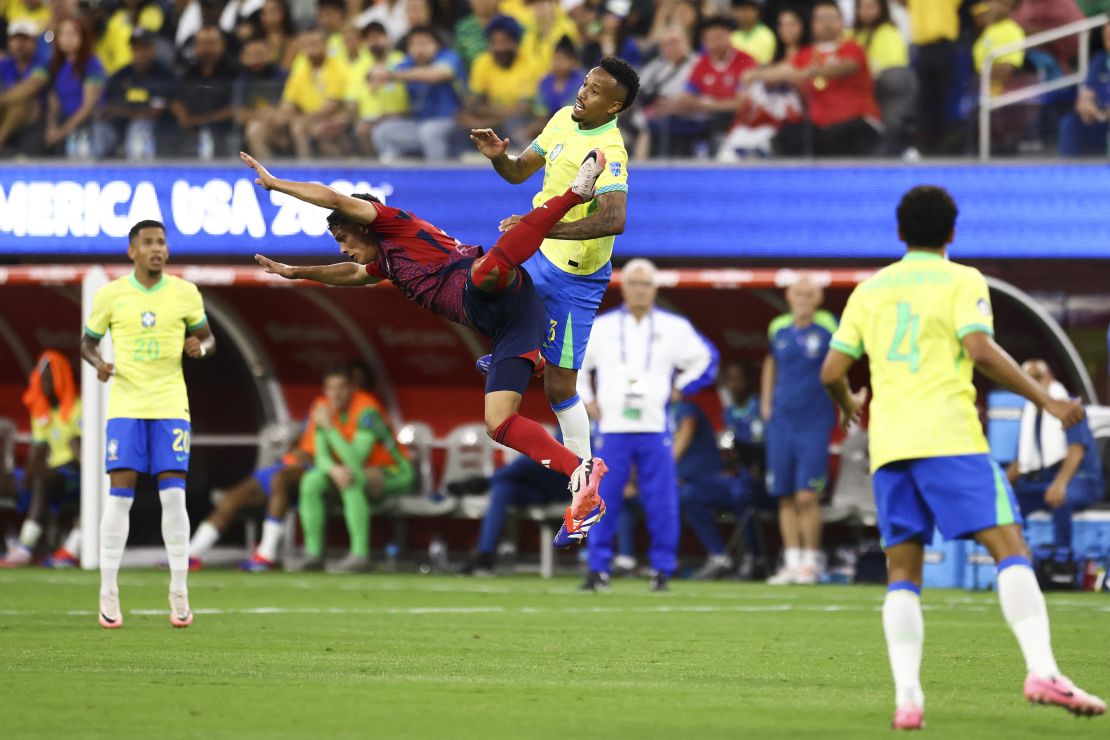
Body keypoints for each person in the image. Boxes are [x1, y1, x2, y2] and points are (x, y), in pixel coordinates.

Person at [820, 185, 1106, 730]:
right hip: (949, 438)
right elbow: (980, 351)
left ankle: (908, 700)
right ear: (953, 232)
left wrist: (849, 404)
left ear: (899, 233)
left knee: (902, 572)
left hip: (891, 447)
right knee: (1009, 548)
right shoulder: (962, 280)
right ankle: (1042, 669)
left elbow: (832, 372)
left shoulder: (871, 290)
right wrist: (1046, 397)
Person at [242, 149, 610, 547]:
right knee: (498, 422)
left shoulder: (392, 222)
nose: (342, 248)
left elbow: (334, 199)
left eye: (342, 238)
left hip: (497, 291)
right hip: (508, 327)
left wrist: (277, 184)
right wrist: (297, 273)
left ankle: (574, 193)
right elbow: (352, 273)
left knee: (486, 271)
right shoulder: (384, 261)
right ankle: (581, 473)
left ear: (363, 223)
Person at [469, 55, 638, 472]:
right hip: (541, 255)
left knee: (560, 387)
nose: (583, 92)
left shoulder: (610, 150)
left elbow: (614, 219)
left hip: (574, 277)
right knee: (485, 280)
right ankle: (526, 351)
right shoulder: (563, 117)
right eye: (585, 83)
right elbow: (518, 172)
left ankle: (582, 475)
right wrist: (497, 156)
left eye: (596, 91)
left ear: (613, 107)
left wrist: (542, 228)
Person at [81, 219, 216, 629]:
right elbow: (86, 343)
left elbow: (209, 339)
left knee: (173, 497)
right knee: (119, 496)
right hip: (126, 404)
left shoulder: (185, 293)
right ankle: (108, 590)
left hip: (171, 404)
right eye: (148, 243)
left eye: (161, 242)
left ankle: (179, 589)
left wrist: (200, 347)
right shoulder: (111, 295)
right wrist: (100, 363)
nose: (157, 249)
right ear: (132, 251)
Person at [577, 259, 714, 592]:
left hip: (655, 427)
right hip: (612, 428)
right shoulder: (603, 326)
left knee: (662, 501)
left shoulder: (674, 327)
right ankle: (598, 569)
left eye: (646, 284)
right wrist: (587, 400)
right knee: (601, 499)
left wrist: (682, 387)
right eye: (634, 283)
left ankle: (663, 569)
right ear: (623, 287)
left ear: (655, 288)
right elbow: (575, 364)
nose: (639, 290)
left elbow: (706, 359)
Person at [290, 366, 414, 572]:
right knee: (311, 480)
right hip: (349, 470)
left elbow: (355, 459)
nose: (336, 393)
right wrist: (332, 470)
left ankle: (360, 555)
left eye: (341, 387)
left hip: (394, 471)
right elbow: (320, 456)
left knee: (352, 478)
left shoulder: (367, 411)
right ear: (324, 390)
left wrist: (329, 428)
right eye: (330, 388)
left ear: (352, 389)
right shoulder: (321, 407)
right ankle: (313, 554)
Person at [761, 275, 837, 585]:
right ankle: (791, 562)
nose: (803, 299)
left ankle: (811, 561)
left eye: (809, 294)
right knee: (784, 495)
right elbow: (771, 363)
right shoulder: (778, 326)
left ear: (818, 298)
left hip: (814, 421)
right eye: (798, 293)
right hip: (782, 421)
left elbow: (840, 362)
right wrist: (766, 402)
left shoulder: (829, 325)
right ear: (789, 297)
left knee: (808, 495)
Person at [750, 1, 881, 156]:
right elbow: (784, 70)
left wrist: (811, 73)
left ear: (841, 21)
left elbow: (847, 67)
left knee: (849, 132)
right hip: (818, 130)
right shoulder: (805, 54)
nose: (826, 23)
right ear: (812, 23)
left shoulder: (852, 47)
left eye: (831, 17)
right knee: (789, 134)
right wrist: (753, 74)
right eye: (821, 18)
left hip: (856, 123)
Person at [1007, 360, 1104, 552]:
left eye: (1038, 378)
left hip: (1081, 479)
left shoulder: (1067, 406)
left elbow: (1076, 450)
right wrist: (1001, 487)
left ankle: (1062, 558)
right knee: (1011, 502)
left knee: (1061, 495)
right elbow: (1022, 461)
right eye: (1028, 379)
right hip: (1045, 479)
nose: (1034, 383)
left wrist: (1060, 483)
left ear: (1050, 376)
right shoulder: (1029, 413)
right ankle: (1018, 555)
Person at [0, 351, 82, 568]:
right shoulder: (41, 409)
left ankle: (25, 546)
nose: (45, 384)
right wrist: (25, 475)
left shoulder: (78, 407)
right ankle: (10, 543)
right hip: (51, 472)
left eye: (49, 378)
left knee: (42, 480)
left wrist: (76, 444)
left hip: (74, 473)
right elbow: (38, 452)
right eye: (41, 378)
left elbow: (83, 456)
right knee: (14, 480)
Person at [187, 431, 309, 572]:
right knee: (231, 498)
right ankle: (192, 555)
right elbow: (297, 438)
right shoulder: (317, 413)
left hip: (309, 471)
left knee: (279, 480)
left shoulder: (332, 419)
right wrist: (294, 439)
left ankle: (266, 555)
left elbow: (315, 453)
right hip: (276, 470)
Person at [461, 439, 570, 575]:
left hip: (568, 486)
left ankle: (485, 483)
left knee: (529, 461)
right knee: (503, 488)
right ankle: (485, 554)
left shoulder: (598, 427)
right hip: (541, 484)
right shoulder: (566, 420)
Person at [245, 27, 349, 159]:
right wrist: (275, 116)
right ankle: (268, 175)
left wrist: (300, 118)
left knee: (298, 126)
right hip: (299, 120)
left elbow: (330, 107)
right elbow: (289, 104)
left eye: (314, 44)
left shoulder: (337, 68)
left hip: (328, 120)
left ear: (325, 45)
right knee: (256, 128)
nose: (309, 50)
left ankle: (304, 173)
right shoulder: (300, 70)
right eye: (305, 45)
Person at [370, 25, 464, 161]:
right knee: (383, 132)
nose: (419, 49)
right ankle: (395, 177)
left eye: (424, 43)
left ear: (436, 45)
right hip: (418, 124)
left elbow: (438, 74)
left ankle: (437, 177)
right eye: (413, 45)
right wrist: (375, 76)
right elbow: (381, 78)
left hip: (451, 122)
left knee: (430, 132)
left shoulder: (448, 56)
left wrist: (391, 76)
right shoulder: (408, 63)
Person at [93, 28, 177, 160]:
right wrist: (117, 112)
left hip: (156, 132)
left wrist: (121, 111)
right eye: (135, 48)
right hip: (121, 126)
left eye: (143, 48)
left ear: (152, 49)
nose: (139, 53)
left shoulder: (164, 76)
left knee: (138, 127)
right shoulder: (121, 76)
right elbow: (106, 108)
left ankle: (137, 170)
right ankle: (95, 170)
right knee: (101, 128)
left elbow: (154, 112)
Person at [459, 15, 541, 146]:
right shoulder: (482, 62)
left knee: (512, 125)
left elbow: (524, 109)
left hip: (517, 121)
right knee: (462, 122)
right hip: (490, 119)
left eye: (504, 42)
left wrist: (488, 114)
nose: (499, 48)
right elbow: (473, 102)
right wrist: (487, 116)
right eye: (495, 43)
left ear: (515, 42)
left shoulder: (528, 64)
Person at [853, 0, 914, 156]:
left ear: (881, 9)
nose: (866, 11)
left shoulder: (889, 32)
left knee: (894, 80)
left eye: (871, 6)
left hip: (883, 86)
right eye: (863, 7)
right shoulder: (853, 35)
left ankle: (893, 151)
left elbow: (893, 70)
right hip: (857, 90)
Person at [634, 25, 702, 158]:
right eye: (666, 44)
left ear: (686, 41)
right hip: (653, 110)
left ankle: (643, 164)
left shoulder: (698, 64)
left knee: (652, 124)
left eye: (674, 42)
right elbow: (637, 88)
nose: (671, 47)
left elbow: (695, 95)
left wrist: (669, 106)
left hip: (685, 112)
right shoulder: (656, 66)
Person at [171, 24, 236, 158]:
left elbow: (237, 107)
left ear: (222, 45)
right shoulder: (187, 72)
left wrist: (201, 120)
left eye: (211, 43)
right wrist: (183, 116)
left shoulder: (233, 72)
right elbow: (175, 99)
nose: (206, 49)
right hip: (190, 132)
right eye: (201, 44)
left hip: (225, 131)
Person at [45, 16, 105, 157]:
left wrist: (61, 132)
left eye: (72, 33)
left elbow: (87, 107)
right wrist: (51, 126)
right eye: (63, 34)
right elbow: (53, 101)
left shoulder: (92, 64)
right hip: (63, 119)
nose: (67, 38)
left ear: (83, 38)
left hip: (88, 124)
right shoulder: (55, 65)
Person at [346, 20, 408, 157]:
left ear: (387, 38)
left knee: (370, 129)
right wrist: (355, 118)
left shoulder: (401, 60)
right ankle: (372, 168)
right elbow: (351, 101)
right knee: (361, 129)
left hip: (400, 115)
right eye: (369, 38)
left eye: (378, 36)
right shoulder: (359, 66)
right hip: (369, 118)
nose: (374, 42)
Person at [906, 0, 960, 154]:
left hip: (944, 45)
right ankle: (925, 146)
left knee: (945, 97)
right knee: (924, 99)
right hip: (921, 48)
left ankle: (945, 146)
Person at [1059, 20, 1110, 156]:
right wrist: (1087, 107)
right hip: (1100, 116)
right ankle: (1069, 170)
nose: (1108, 43)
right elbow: (1085, 95)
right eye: (1106, 38)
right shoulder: (1100, 60)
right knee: (1070, 123)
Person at [0, 20, 49, 153]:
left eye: (25, 39)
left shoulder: (42, 61)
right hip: (7, 117)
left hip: (35, 120)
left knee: (22, 102)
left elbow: (32, 86)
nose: (19, 44)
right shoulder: (5, 63)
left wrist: (2, 100)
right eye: (15, 39)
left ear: (34, 42)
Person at [731, 0, 776, 65]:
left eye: (746, 9)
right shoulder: (732, 36)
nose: (742, 13)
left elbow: (764, 66)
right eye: (739, 9)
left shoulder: (765, 35)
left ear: (757, 11)